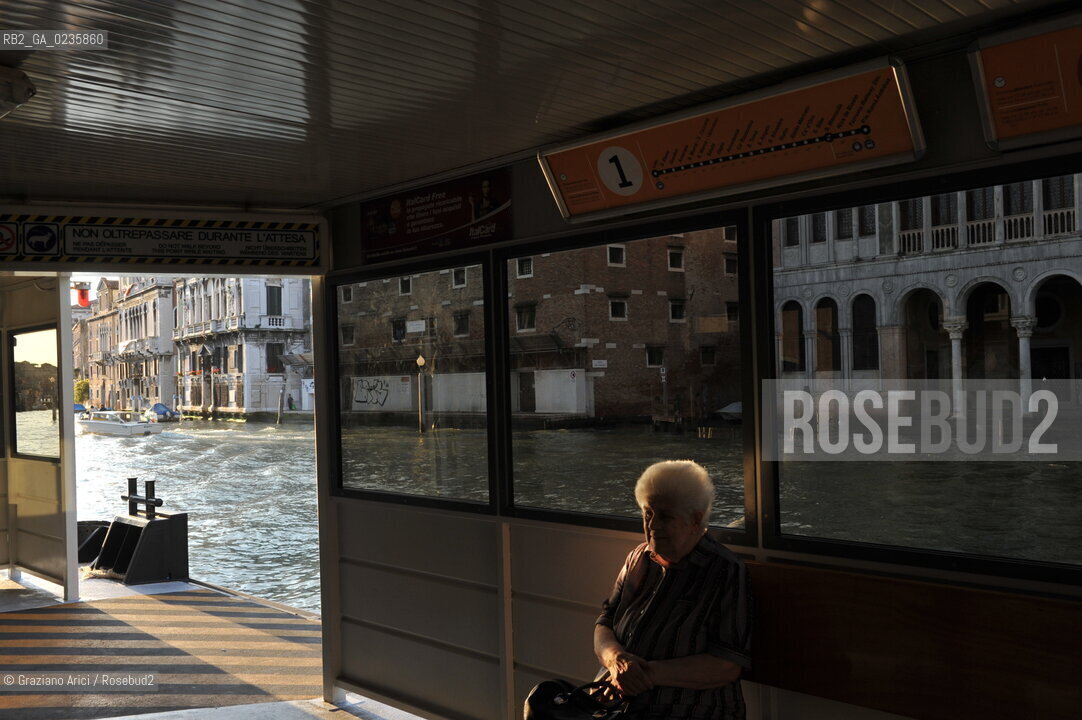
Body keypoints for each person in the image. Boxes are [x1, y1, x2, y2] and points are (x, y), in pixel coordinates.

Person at [594, 460, 752, 719]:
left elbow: (727, 665)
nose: (653, 525)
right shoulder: (638, 559)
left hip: (688, 710)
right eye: (648, 513)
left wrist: (643, 675)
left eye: (665, 516)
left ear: (695, 519)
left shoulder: (724, 570)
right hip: (618, 705)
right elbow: (605, 622)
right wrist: (615, 659)